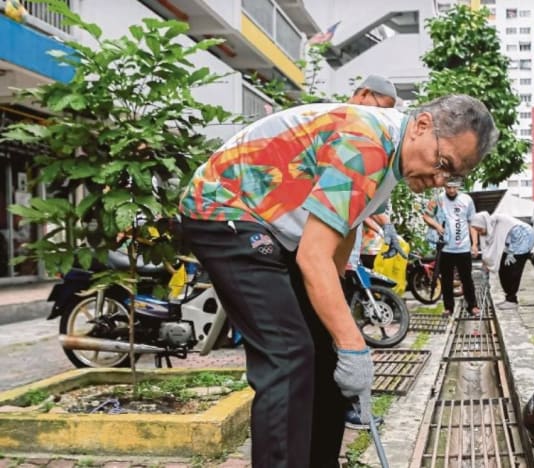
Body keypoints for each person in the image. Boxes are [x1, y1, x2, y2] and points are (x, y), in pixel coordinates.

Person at [179, 95, 498, 467]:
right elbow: (313, 257)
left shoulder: (392, 158)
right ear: (422, 125)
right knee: (288, 355)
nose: (440, 179)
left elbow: (343, 230)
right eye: (442, 163)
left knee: (324, 354)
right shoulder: (368, 145)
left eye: (453, 175)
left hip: (273, 228)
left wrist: (339, 331)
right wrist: (353, 344)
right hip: (221, 210)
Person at [347, 75, 407, 261]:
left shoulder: (370, 137)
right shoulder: (340, 125)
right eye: (381, 110)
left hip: (347, 245)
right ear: (364, 93)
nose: (383, 117)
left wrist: (388, 228)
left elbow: (368, 197)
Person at [423, 179, 480, 317]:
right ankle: (448, 308)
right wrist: (437, 226)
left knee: (467, 279)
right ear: (444, 186)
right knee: (446, 280)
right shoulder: (437, 199)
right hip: (445, 248)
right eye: (449, 187)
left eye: (455, 187)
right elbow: (426, 216)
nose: (452, 190)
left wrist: (474, 244)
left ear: (459, 186)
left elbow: (473, 222)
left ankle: (472, 306)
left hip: (464, 248)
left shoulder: (467, 200)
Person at [470, 211, 534, 309]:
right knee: (503, 269)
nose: (480, 232)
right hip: (511, 244)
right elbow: (487, 248)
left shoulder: (499, 221)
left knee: (512, 269)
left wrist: (512, 253)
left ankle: (512, 300)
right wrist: (486, 262)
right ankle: (509, 298)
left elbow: (517, 232)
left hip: (524, 239)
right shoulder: (489, 228)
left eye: (480, 229)